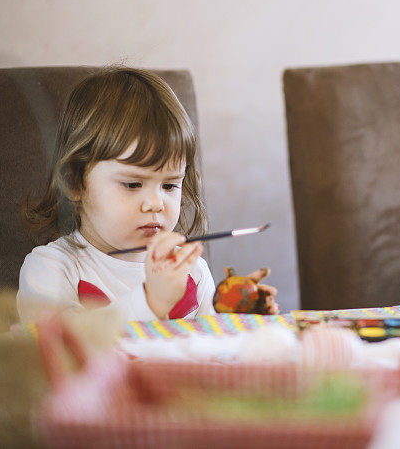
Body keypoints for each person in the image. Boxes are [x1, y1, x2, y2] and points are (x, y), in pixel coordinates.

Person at [17, 68, 278, 323]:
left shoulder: (193, 272)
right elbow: (67, 350)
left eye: (169, 186)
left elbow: (214, 351)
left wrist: (242, 317)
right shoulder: (51, 269)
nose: (156, 203)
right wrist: (151, 301)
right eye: (132, 184)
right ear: (74, 182)